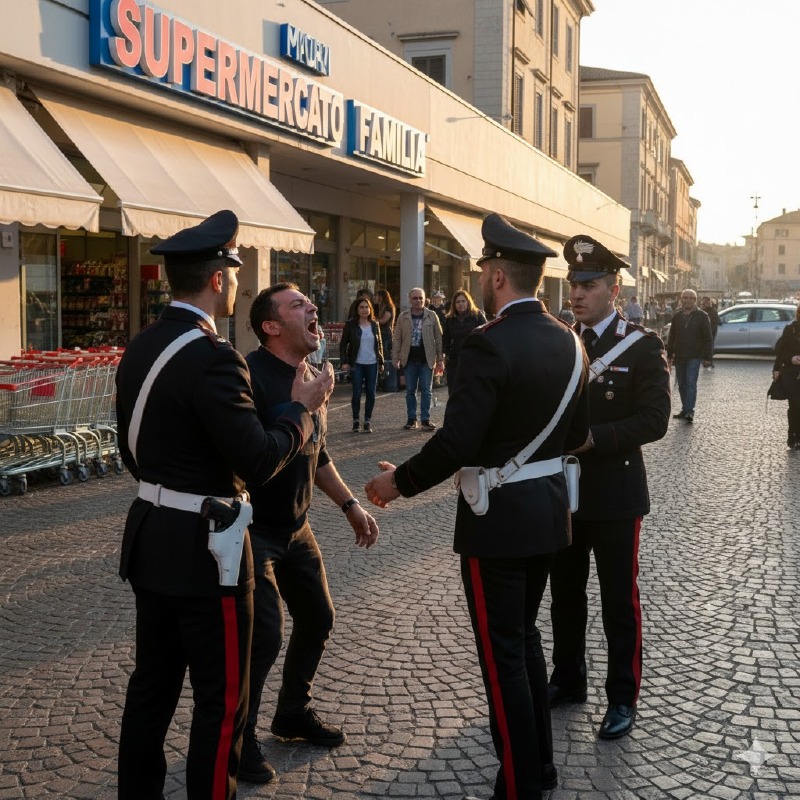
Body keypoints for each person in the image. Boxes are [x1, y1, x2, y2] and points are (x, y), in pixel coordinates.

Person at [366, 213, 589, 800]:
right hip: (547, 513)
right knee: (525, 644)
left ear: (494, 276)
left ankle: (519, 784)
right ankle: (538, 768)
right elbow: (576, 435)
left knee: (503, 659)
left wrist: (400, 484)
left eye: (485, 267)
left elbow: (457, 441)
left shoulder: (488, 344)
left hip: (497, 526)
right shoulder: (571, 340)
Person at [115, 210, 333, 800]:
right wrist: (302, 409)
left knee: (151, 690)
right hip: (207, 552)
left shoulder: (141, 346)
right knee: (223, 699)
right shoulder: (214, 357)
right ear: (218, 280)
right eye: (233, 272)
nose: (236, 283)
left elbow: (129, 449)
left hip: (151, 534)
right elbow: (259, 459)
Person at [240, 283, 379, 784]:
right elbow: (252, 459)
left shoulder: (312, 376)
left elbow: (316, 454)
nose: (312, 308)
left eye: (309, 302)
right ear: (271, 326)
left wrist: (350, 505)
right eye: (298, 304)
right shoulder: (248, 376)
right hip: (253, 531)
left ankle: (292, 712)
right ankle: (240, 738)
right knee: (265, 636)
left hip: (297, 530)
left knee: (318, 617)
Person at [547, 234, 670, 743]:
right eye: (574, 283)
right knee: (565, 596)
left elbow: (656, 419)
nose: (577, 293)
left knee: (620, 600)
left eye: (589, 284)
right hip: (565, 495)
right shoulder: (558, 340)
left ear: (613, 289)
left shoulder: (642, 345)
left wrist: (597, 438)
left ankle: (622, 697)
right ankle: (569, 678)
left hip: (617, 493)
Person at [393, 287, 444, 431]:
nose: (418, 301)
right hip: (409, 359)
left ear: (424, 299)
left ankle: (425, 420)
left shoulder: (432, 316)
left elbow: (439, 339)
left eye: (420, 298)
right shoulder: (403, 317)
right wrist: (395, 357)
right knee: (410, 391)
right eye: (415, 298)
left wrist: (440, 359)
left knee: (427, 391)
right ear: (410, 300)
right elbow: (397, 339)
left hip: (427, 359)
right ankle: (411, 419)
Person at [666, 289, 713, 423]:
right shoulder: (677, 315)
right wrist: (669, 355)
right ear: (681, 299)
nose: (687, 300)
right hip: (680, 355)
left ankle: (689, 411)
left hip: (694, 355)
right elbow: (672, 336)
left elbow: (708, 338)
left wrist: (708, 357)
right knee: (681, 384)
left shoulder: (702, 316)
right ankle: (685, 409)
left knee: (691, 383)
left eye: (690, 298)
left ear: (695, 300)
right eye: (684, 297)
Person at [341, 296, 384, 432]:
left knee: (371, 393)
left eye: (367, 307)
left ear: (370, 309)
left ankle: (367, 421)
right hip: (357, 363)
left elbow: (380, 345)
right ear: (357, 309)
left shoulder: (375, 325)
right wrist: (345, 362)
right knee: (357, 393)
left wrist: (381, 362)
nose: (365, 310)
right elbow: (343, 344)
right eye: (362, 307)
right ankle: (355, 421)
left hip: (372, 363)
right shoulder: (351, 325)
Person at [442, 289, 487, 386]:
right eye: (457, 302)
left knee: (471, 388)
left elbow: (487, 335)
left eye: (463, 301)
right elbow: (445, 338)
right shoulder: (450, 319)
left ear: (468, 302)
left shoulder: (477, 316)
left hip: (473, 358)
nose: (460, 304)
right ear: (454, 304)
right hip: (455, 359)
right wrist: (445, 354)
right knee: (454, 388)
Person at [772, 304, 800, 448]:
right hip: (791, 373)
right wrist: (790, 359)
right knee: (795, 405)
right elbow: (780, 351)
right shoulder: (791, 329)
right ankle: (793, 435)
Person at [374, 289, 397, 392]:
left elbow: (384, 320)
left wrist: (374, 320)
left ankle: (388, 380)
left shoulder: (388, 307)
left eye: (378, 296)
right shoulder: (381, 307)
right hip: (381, 333)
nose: (376, 298)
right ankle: (381, 380)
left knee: (386, 355)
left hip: (386, 334)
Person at [700, 296, 720, 368]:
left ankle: (708, 361)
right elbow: (718, 321)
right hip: (710, 332)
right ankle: (708, 361)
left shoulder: (706, 312)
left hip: (709, 332)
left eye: (704, 303)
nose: (703, 305)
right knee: (708, 347)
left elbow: (716, 322)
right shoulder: (712, 311)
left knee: (708, 347)